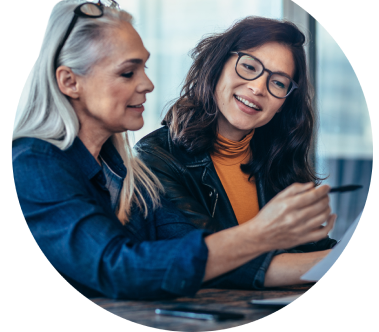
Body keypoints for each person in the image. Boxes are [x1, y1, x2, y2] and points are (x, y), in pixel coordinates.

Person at [12, 0, 335, 301]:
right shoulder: (32, 163)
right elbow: (119, 268)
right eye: (128, 72)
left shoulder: (125, 172)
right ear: (70, 82)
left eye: (144, 69)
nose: (147, 85)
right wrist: (261, 234)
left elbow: (181, 250)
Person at [134, 16, 338, 281]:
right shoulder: (155, 157)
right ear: (218, 65)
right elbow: (207, 262)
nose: (257, 88)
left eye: (278, 83)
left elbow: (309, 247)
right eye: (249, 67)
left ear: (284, 103)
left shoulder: (278, 157)